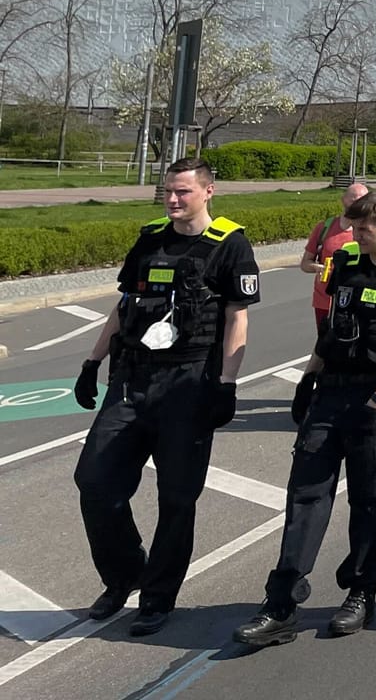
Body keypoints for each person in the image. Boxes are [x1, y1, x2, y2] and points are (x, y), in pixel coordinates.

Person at [233, 191, 376, 646]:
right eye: (353, 227)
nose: (355, 235)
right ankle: (281, 601)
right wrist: (307, 381)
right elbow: (331, 330)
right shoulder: (345, 262)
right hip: (332, 390)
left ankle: (361, 591)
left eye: (364, 229)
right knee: (305, 492)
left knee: (372, 498)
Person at [71, 157, 260, 636]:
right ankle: (125, 573)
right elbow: (124, 305)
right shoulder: (150, 237)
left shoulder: (231, 246)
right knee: (94, 480)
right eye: (168, 192)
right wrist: (92, 363)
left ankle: (157, 596)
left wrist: (226, 384)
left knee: (177, 498)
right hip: (132, 380)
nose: (173, 201)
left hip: (189, 384)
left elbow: (237, 319)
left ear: (208, 192)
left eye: (183, 193)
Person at [303, 184, 369, 339]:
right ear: (344, 200)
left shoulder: (371, 231)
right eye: (354, 199)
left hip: (357, 300)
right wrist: (318, 268)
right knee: (325, 344)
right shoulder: (325, 227)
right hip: (325, 299)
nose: (358, 204)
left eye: (363, 200)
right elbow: (305, 263)